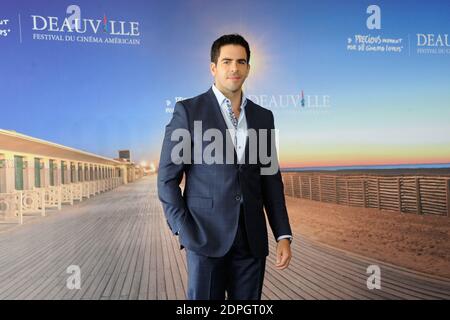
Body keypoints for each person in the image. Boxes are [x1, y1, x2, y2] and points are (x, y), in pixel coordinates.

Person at [158, 34, 292, 300]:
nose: (234, 68)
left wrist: (283, 234)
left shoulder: (263, 117)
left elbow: (270, 180)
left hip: (252, 241)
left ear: (248, 68)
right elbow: (167, 179)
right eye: (227, 61)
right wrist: (183, 229)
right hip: (204, 237)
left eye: (241, 62)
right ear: (213, 67)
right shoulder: (188, 111)